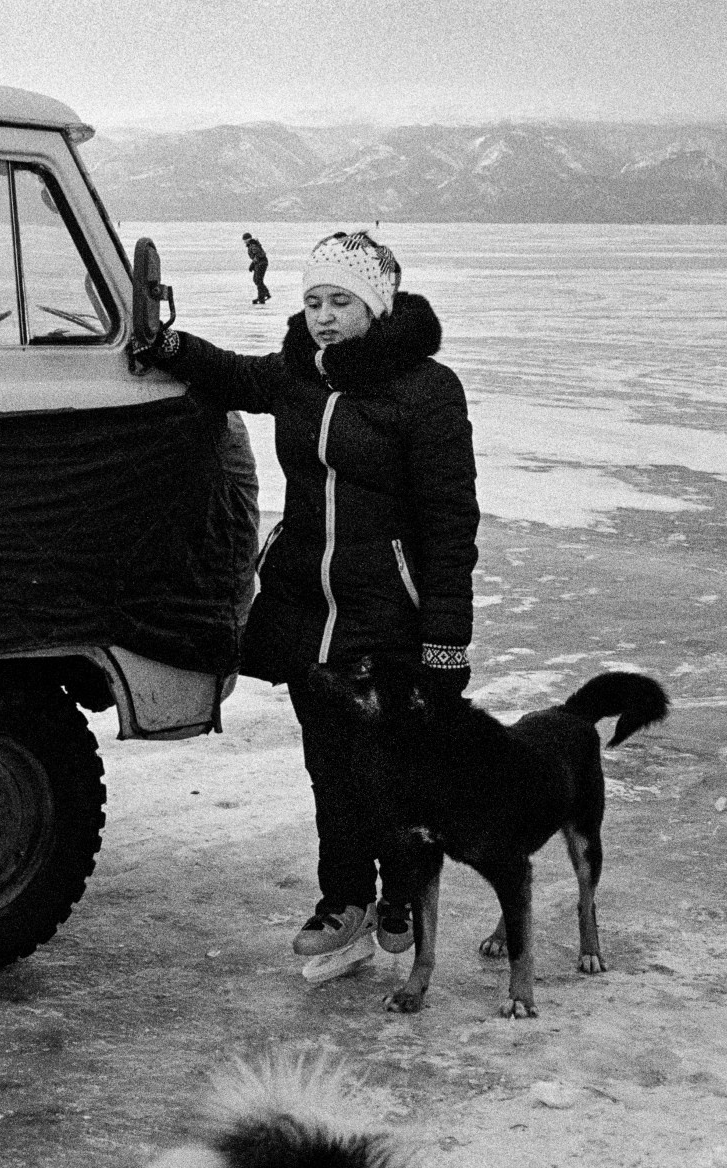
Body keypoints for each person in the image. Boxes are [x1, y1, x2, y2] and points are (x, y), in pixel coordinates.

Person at [142, 228, 478, 971]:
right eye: (314, 300)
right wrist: (170, 348)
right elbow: (232, 376)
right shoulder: (301, 375)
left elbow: (451, 524)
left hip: (387, 616)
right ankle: (346, 901)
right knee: (330, 770)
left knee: (385, 773)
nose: (324, 315)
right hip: (307, 611)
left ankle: (401, 892)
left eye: (341, 301)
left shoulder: (425, 390)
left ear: (378, 305)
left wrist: (447, 642)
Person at [242, 232, 271, 304]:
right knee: (257, 280)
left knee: (258, 280)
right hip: (260, 263)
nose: (244, 241)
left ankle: (263, 295)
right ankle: (263, 295)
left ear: (248, 239)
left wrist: (252, 265)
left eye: (245, 239)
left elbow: (258, 255)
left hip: (261, 263)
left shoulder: (253, 245)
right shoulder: (252, 244)